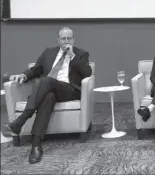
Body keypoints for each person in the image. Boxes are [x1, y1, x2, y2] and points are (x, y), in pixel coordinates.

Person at [3, 27, 92, 163]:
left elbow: (87, 73)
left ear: (74, 39)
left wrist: (72, 56)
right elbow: (35, 69)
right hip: (48, 89)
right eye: (63, 38)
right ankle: (36, 144)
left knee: (47, 80)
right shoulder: (48, 52)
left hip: (69, 91)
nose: (66, 41)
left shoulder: (81, 54)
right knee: (48, 96)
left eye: (69, 38)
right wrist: (23, 75)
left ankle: (21, 119)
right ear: (58, 39)